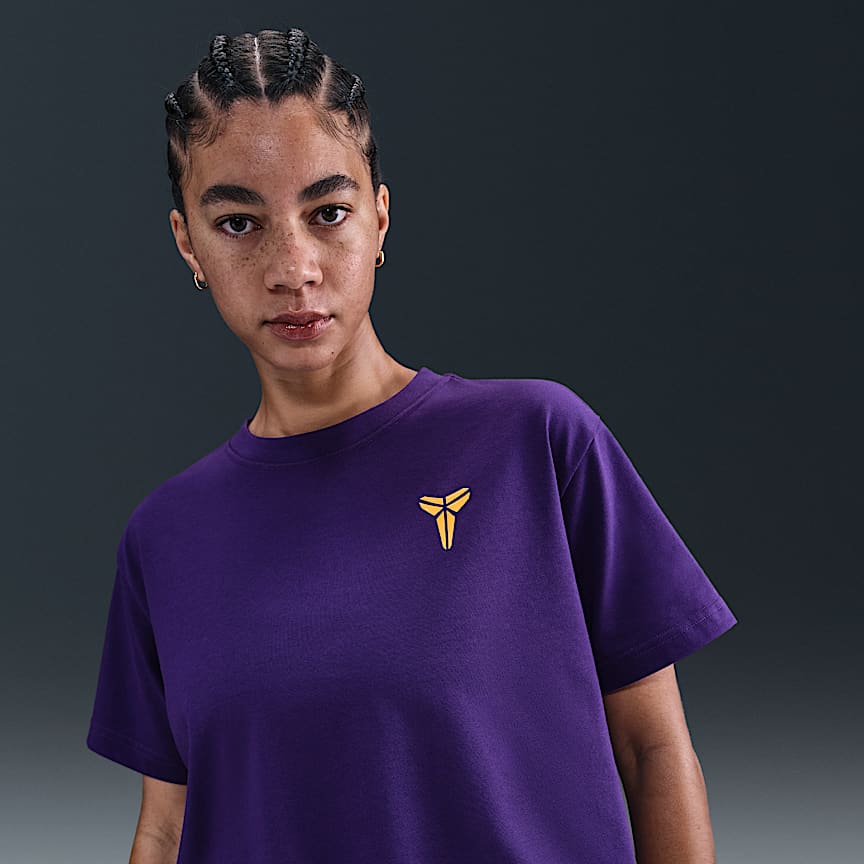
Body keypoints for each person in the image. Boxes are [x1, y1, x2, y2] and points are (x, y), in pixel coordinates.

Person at [86, 26, 738, 864]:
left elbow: (653, 752)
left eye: (328, 213)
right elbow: (167, 828)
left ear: (380, 217)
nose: (293, 267)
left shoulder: (537, 444)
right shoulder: (165, 537)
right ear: (189, 244)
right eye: (239, 223)